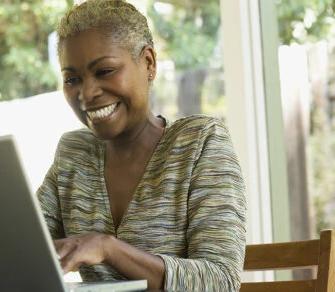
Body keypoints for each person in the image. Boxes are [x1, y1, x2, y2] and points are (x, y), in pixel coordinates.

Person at [36, 0, 247, 291]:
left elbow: (220, 281)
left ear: (148, 63)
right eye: (72, 79)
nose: (86, 93)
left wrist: (108, 249)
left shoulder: (200, 143)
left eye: (105, 71)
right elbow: (25, 246)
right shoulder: (75, 153)